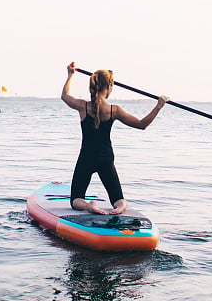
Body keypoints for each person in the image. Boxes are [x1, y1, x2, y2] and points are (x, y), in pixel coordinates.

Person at [61, 64, 169, 215]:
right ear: (110, 86)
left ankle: (88, 206)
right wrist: (158, 106)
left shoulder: (83, 106)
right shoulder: (114, 110)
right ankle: (120, 207)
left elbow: (64, 96)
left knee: (76, 199)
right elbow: (142, 124)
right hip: (106, 158)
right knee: (118, 198)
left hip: (86, 157)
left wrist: (70, 75)